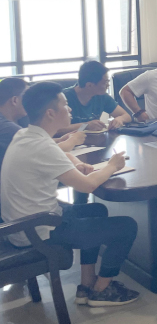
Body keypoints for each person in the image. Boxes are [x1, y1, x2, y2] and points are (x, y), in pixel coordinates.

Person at [0, 82, 139, 306]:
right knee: (127, 226)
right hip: (37, 231)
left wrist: (75, 163)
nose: (70, 109)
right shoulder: (40, 145)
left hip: (24, 223)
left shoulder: (26, 135)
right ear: (50, 113)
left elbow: (57, 153)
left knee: (97, 209)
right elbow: (87, 186)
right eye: (65, 104)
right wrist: (112, 166)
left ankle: (86, 283)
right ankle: (102, 290)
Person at [0, 79, 85, 167]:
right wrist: (73, 141)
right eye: (26, 96)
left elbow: (36, 143)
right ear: (14, 100)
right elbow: (45, 153)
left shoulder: (21, 119)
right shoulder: (7, 128)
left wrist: (59, 140)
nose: (32, 101)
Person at [59, 61, 131, 135]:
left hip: (94, 139)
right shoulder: (63, 98)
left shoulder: (102, 96)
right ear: (89, 85)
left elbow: (127, 116)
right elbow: (57, 130)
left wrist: (120, 119)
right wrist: (86, 125)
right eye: (105, 82)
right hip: (68, 140)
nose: (108, 85)